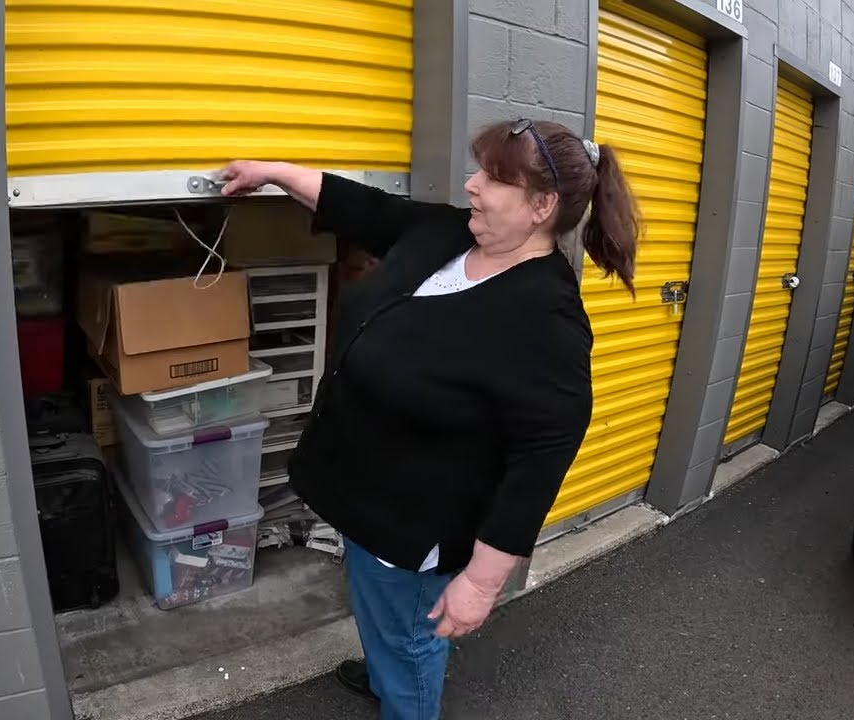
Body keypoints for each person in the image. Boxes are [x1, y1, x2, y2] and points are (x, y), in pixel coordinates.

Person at [219, 118, 641, 720]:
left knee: (410, 635)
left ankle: (405, 697)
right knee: (382, 613)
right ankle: (389, 672)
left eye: (493, 177)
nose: (472, 185)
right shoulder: (448, 234)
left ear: (540, 206)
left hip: (412, 523)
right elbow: (363, 209)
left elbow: (542, 458)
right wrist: (275, 172)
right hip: (365, 493)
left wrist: (480, 584)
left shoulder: (545, 319)